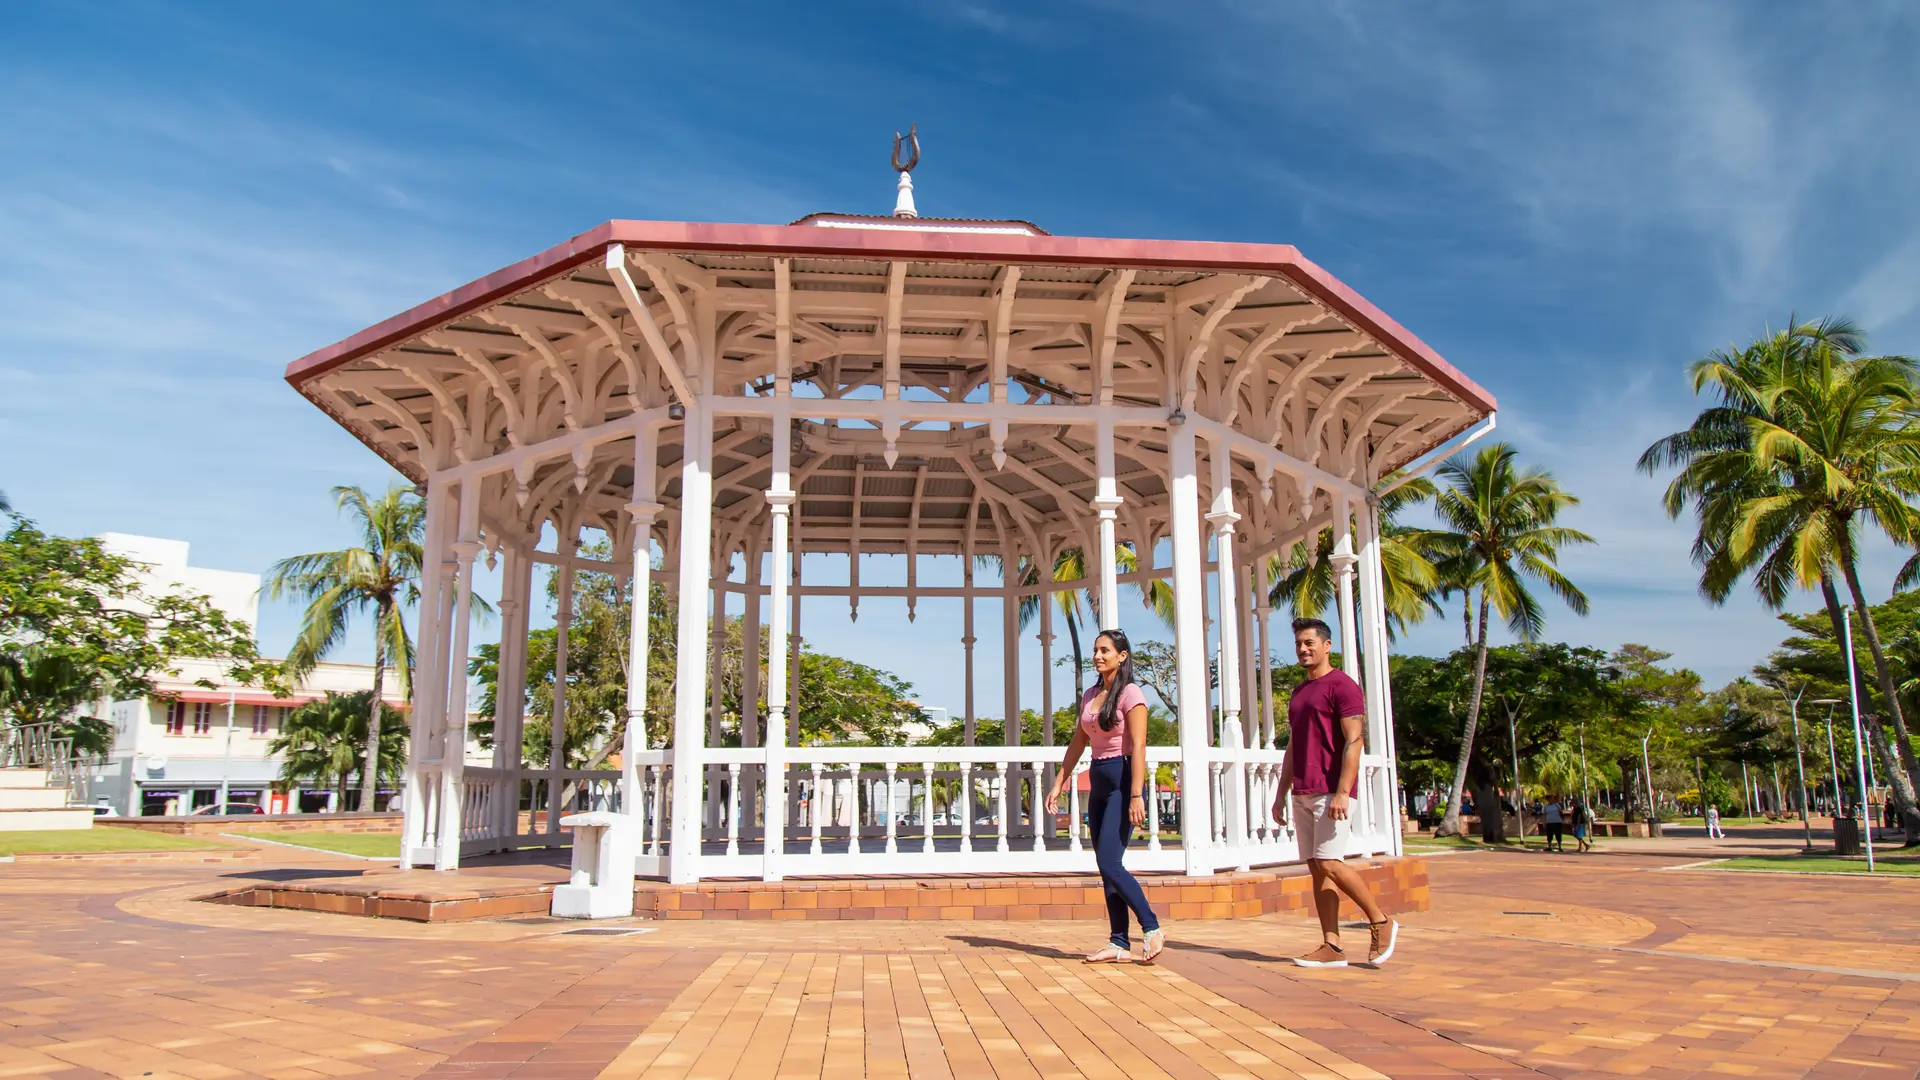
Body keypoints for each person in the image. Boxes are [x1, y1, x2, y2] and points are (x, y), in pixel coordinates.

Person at [1272, 617, 1396, 969]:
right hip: (1303, 789)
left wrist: (1343, 791)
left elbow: (1354, 740)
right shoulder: (1299, 692)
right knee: (1316, 868)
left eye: (1310, 643)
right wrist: (1281, 792)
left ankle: (1380, 921)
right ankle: (1332, 944)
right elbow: (1294, 746)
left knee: (1330, 861)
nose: (1303, 649)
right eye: (1298, 643)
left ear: (1327, 645)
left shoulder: (1342, 685)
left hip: (1332, 790)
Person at [1045, 628, 1164, 964]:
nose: (1098, 656)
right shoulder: (1091, 695)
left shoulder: (1131, 694)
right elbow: (1078, 742)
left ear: (1122, 656)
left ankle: (1151, 926)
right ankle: (1118, 942)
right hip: (1097, 776)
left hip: (1123, 779)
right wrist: (1060, 781)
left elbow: (1139, 744)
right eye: (1096, 650)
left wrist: (1136, 795)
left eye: (1105, 651)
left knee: (1110, 862)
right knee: (1105, 865)